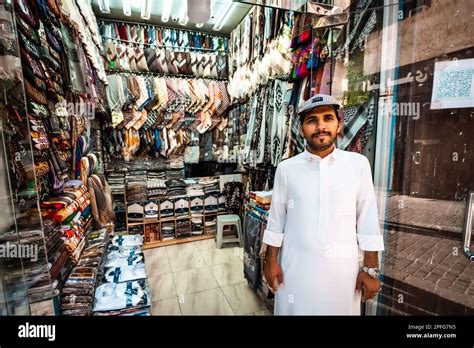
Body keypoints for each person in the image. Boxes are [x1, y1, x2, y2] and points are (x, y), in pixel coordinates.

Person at [262, 94, 384, 315]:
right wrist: (270, 260)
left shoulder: (357, 165)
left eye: (328, 118)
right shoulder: (287, 169)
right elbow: (276, 220)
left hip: (343, 276)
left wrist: (371, 269)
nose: (320, 127)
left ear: (339, 125)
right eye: (312, 121)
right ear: (302, 129)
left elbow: (368, 219)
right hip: (295, 273)